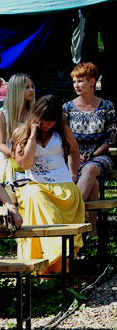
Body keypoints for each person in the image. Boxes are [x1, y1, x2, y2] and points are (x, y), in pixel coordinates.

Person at [11, 95, 85, 273]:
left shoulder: (63, 130)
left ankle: (57, 261)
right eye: (45, 120)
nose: (48, 125)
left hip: (63, 186)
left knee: (38, 198)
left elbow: (74, 151)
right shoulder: (20, 132)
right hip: (34, 185)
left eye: (52, 121)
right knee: (34, 196)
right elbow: (25, 164)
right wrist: (32, 135)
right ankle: (56, 249)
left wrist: (73, 175)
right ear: (36, 116)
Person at [64, 62, 116, 236]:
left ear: (92, 82)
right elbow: (63, 139)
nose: (76, 85)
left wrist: (92, 154)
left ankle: (69, 216)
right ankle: (92, 232)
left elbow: (111, 138)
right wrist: (76, 156)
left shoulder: (107, 105)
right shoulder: (67, 108)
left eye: (80, 81)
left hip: (100, 155)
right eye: (74, 82)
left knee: (90, 168)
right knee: (92, 182)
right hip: (73, 157)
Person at [0, 73, 35, 183]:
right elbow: (1, 145)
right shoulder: (2, 114)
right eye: (27, 87)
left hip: (32, 160)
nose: (31, 90)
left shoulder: (34, 112)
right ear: (17, 90)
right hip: (8, 160)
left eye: (32, 86)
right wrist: (17, 156)